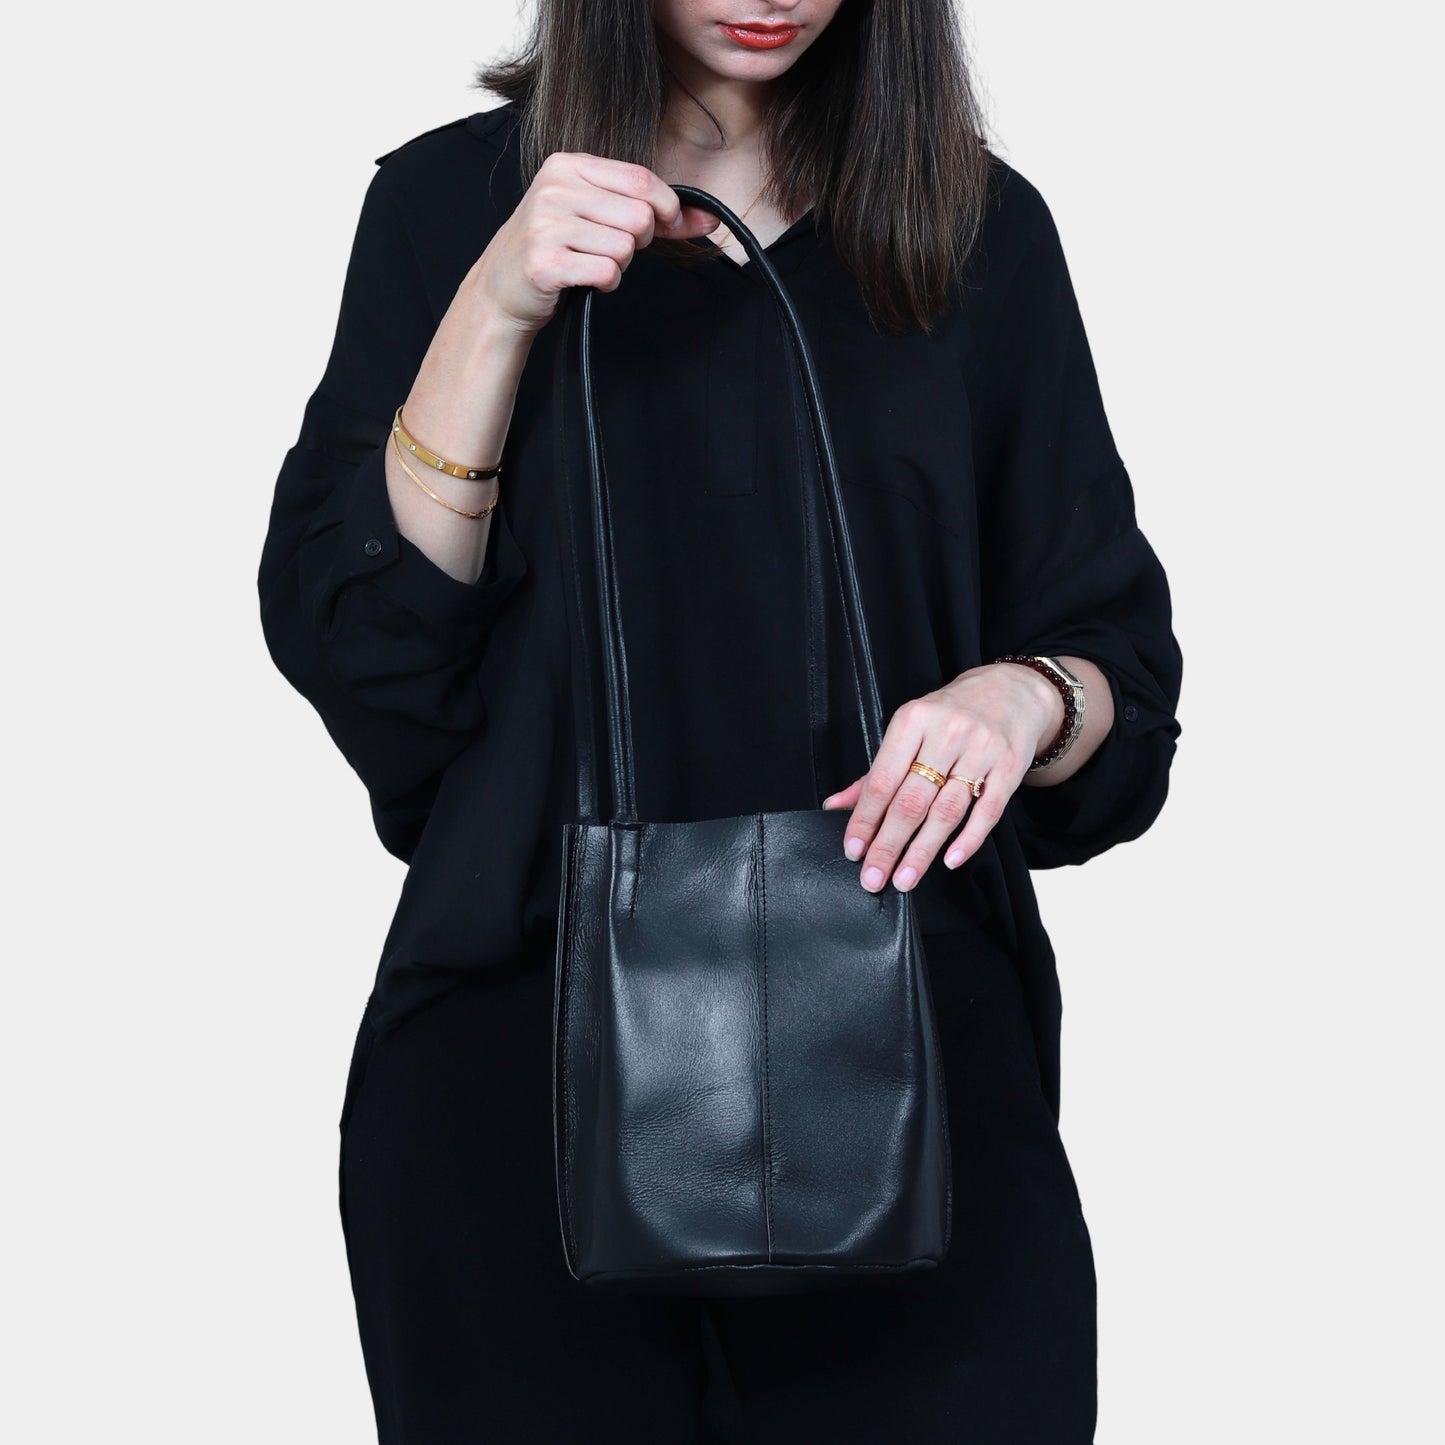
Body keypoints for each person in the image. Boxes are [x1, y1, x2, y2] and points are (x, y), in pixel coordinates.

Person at [257, 1, 1183, 1440]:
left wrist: (1026, 693)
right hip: (516, 1074)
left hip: (910, 1056)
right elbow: (365, 649)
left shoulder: (978, 230)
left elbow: (1114, 675)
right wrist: (502, 297)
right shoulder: (449, 205)